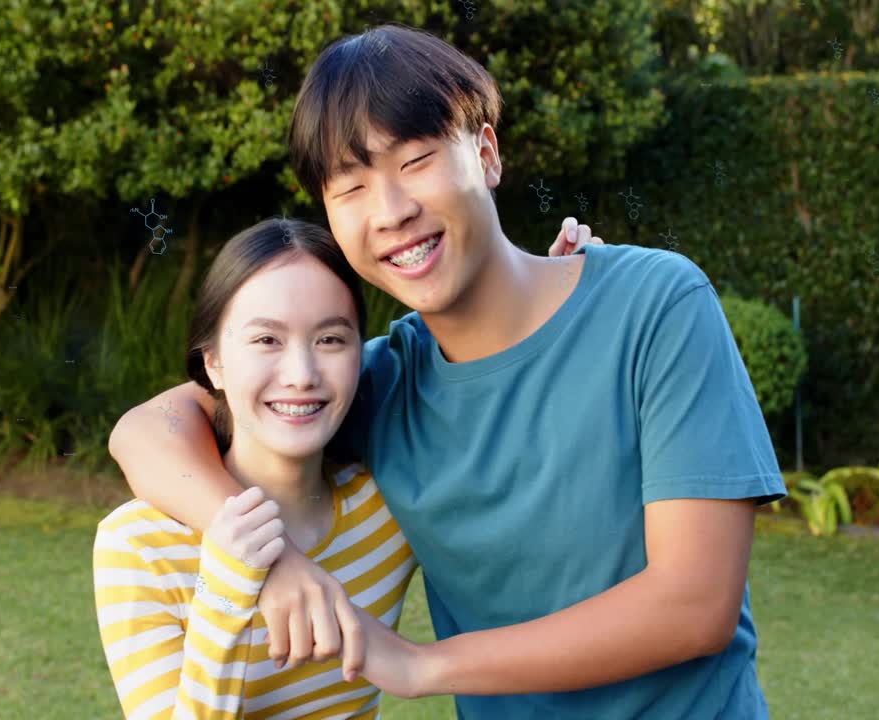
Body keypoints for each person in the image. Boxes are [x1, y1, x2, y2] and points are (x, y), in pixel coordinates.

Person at [109, 23, 784, 720]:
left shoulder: (653, 305)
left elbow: (695, 605)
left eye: (416, 161)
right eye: (351, 187)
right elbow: (146, 428)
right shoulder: (379, 387)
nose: (392, 211)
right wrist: (263, 555)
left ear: (486, 153)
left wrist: (422, 663)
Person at [93, 218, 590, 718]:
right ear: (214, 363)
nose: (301, 375)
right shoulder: (138, 544)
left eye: (331, 340)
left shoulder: (385, 506)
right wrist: (230, 583)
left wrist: (552, 304)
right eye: (266, 340)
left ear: (360, 356)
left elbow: (506, 444)